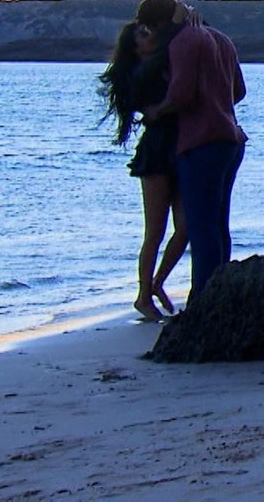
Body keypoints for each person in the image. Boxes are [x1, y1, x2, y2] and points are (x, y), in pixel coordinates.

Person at [135, 0, 247, 300]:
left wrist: (159, 109)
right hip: (231, 139)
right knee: (218, 223)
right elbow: (239, 90)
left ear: (158, 23)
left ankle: (203, 297)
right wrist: (216, 100)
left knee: (201, 227)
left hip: (201, 142)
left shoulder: (184, 41)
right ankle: (222, 289)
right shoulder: (221, 38)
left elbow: (181, 94)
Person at [99, 21, 188, 321]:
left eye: (149, 30)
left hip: (180, 145)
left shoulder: (163, 63)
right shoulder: (140, 73)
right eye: (141, 33)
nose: (149, 34)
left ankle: (158, 283)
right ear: (133, 47)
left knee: (186, 227)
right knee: (155, 230)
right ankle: (142, 295)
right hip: (157, 150)